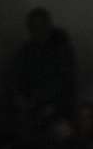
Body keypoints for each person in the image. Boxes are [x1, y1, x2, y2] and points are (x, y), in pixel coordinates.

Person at [9, 7, 77, 135]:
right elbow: (16, 78)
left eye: (40, 26)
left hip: (58, 107)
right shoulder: (26, 51)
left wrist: (51, 106)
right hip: (33, 107)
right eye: (33, 27)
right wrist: (20, 98)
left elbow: (66, 83)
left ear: (48, 26)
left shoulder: (61, 49)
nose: (37, 31)